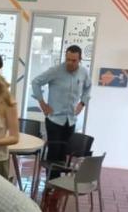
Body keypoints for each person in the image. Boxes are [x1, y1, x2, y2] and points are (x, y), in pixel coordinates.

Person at [30, 45, 91, 178]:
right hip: (54, 119)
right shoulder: (56, 71)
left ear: (80, 59)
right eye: (67, 59)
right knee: (54, 153)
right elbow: (35, 82)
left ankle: (58, 185)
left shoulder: (84, 72)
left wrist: (82, 103)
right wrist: (42, 103)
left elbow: (88, 88)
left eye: (73, 60)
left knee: (64, 153)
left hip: (71, 120)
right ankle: (51, 184)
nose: (69, 63)